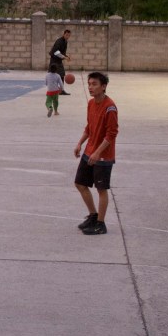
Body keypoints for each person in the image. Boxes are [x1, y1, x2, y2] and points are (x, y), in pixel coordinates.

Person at [74, 71, 119, 236]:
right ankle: (93, 216)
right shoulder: (91, 103)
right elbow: (89, 127)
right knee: (80, 183)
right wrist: (80, 143)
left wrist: (97, 153)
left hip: (103, 156)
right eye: (89, 84)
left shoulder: (110, 107)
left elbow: (111, 134)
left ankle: (101, 224)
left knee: (101, 189)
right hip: (89, 151)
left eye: (94, 84)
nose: (90, 87)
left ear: (104, 86)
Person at [50, 28, 72, 94]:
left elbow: (62, 52)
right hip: (54, 60)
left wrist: (66, 56)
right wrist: (64, 58)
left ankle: (61, 90)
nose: (68, 36)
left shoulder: (65, 42)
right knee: (54, 76)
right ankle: (53, 90)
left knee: (62, 75)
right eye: (67, 35)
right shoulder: (59, 41)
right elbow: (56, 52)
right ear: (64, 34)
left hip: (59, 61)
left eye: (69, 35)